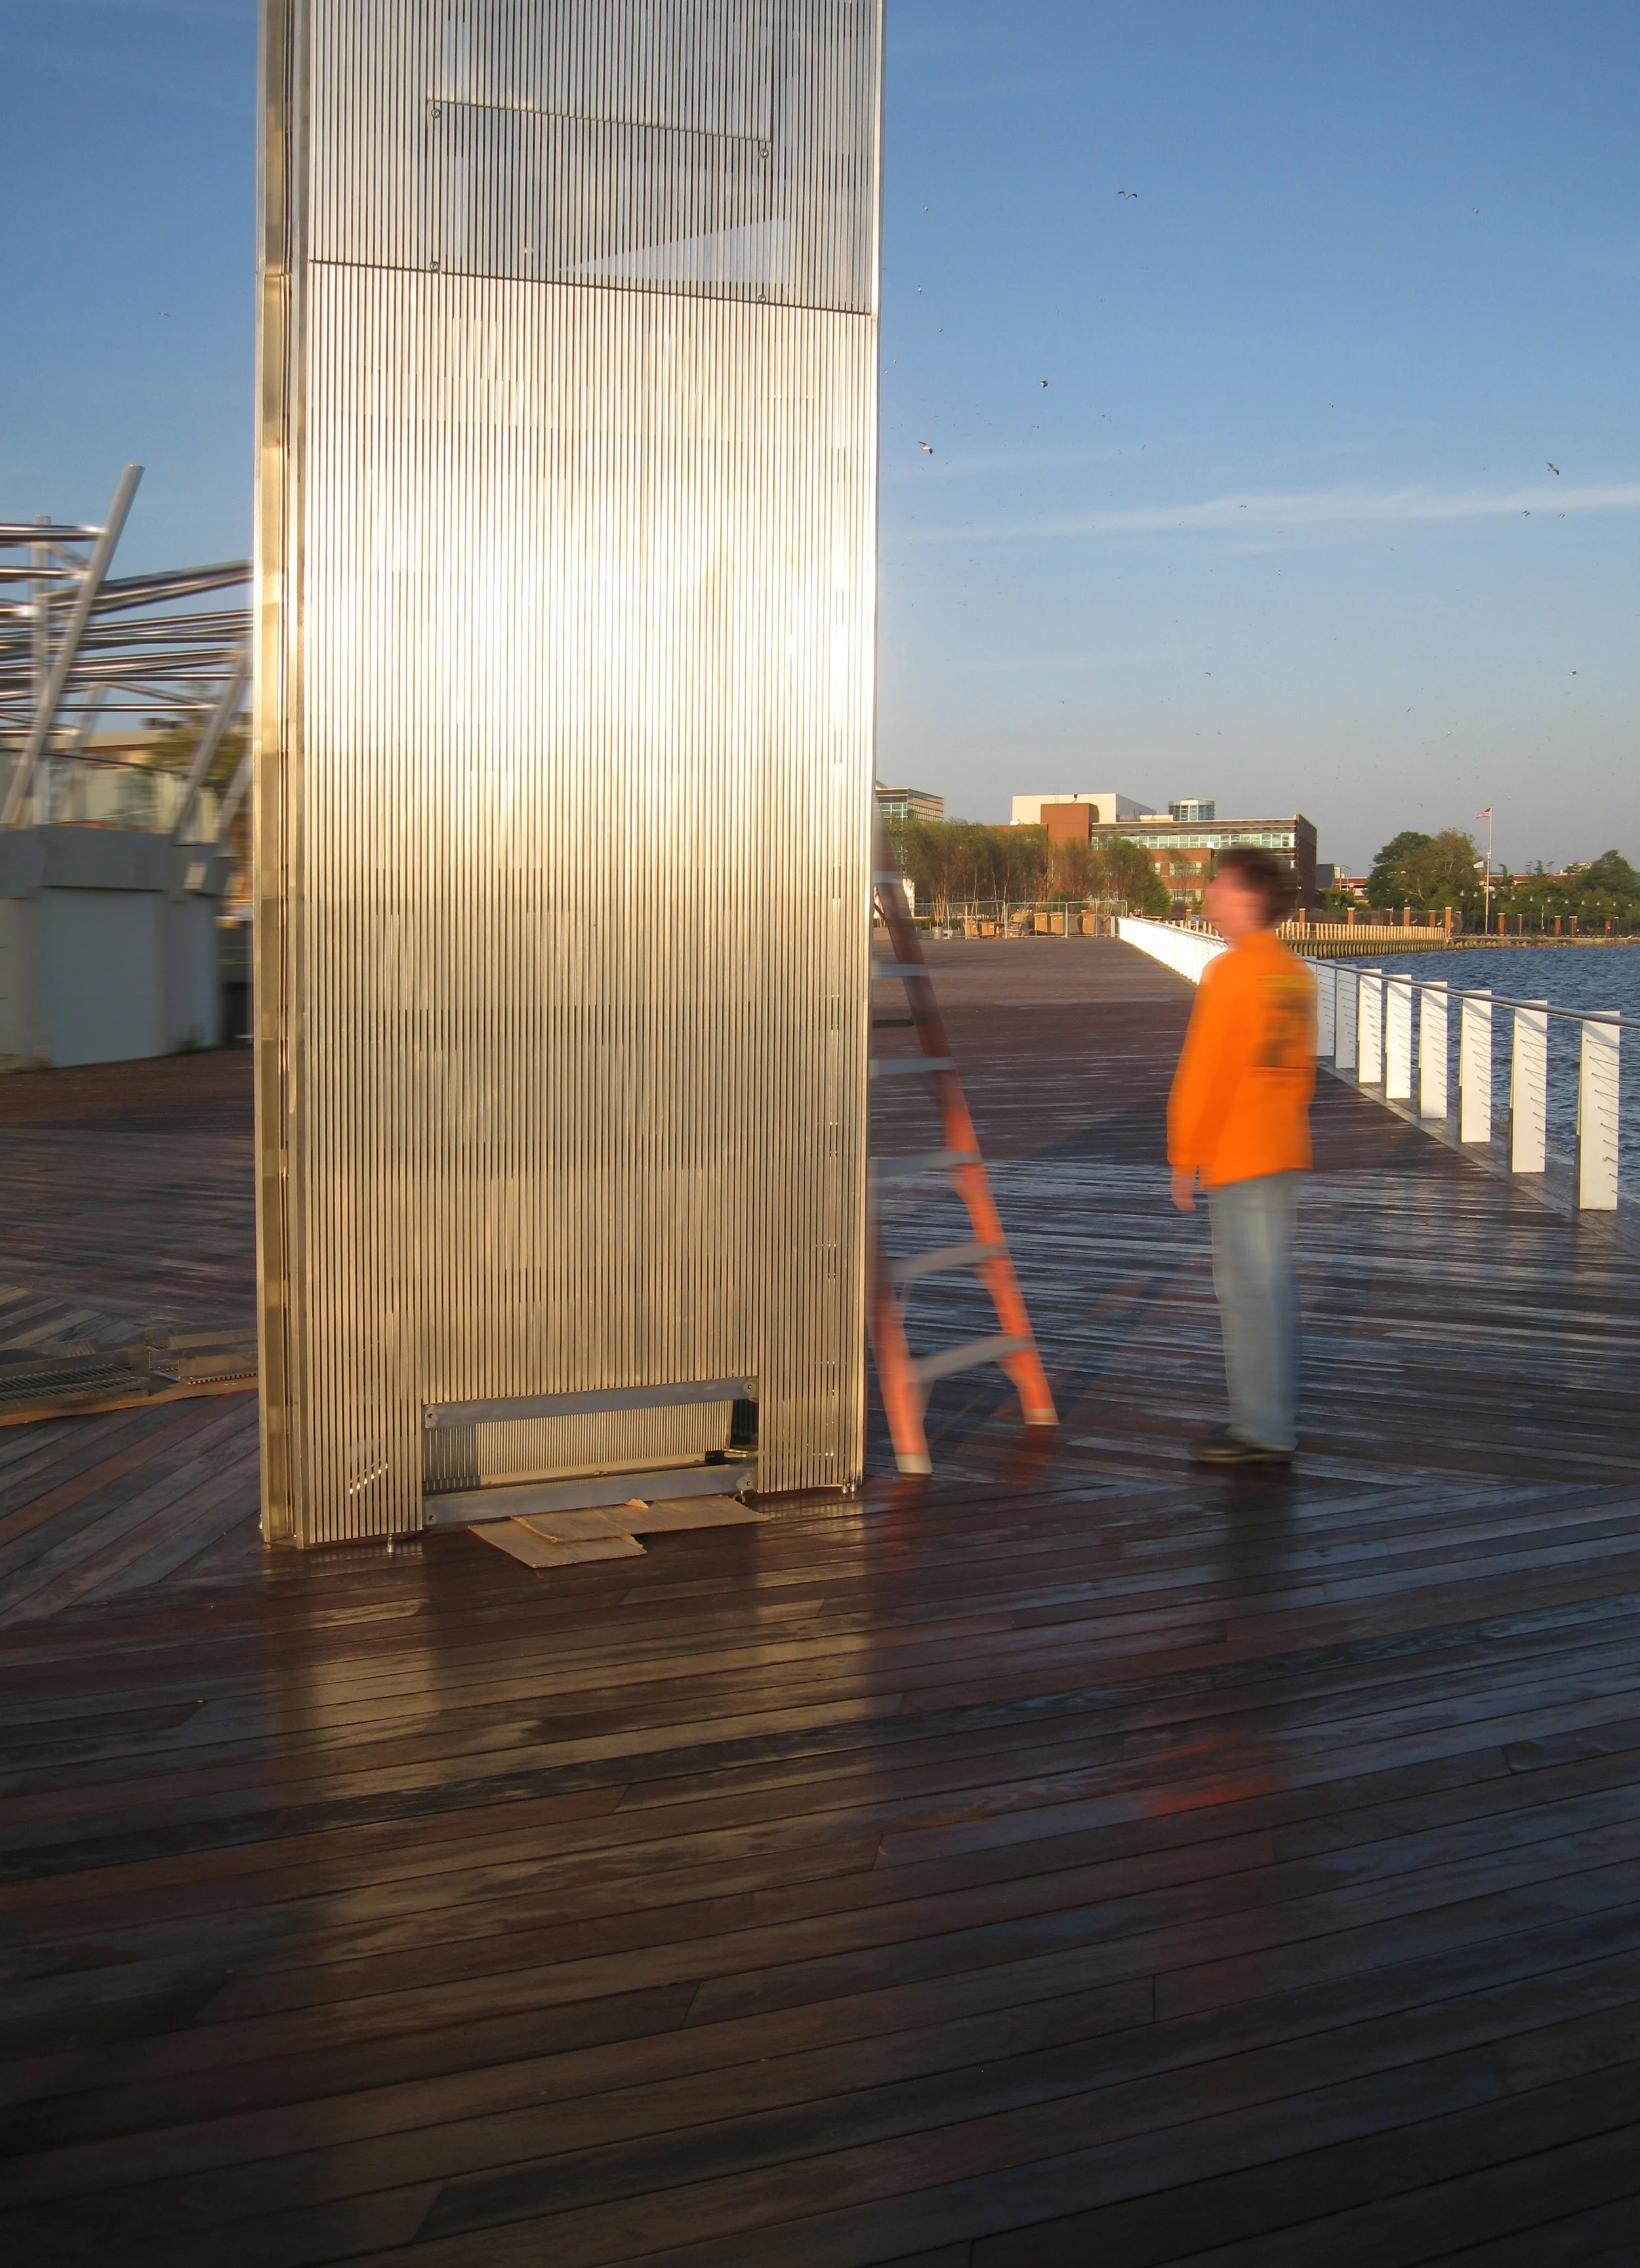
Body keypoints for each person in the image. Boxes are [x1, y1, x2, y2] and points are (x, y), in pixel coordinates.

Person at [1167, 848, 1316, 1465]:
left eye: (1221, 885)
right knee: (1272, 1287)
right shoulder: (1294, 973)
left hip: (1240, 1152)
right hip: (1284, 1146)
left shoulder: (1231, 972)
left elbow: (1206, 1070)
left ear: (1250, 896)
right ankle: (1272, 1418)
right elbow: (1302, 1071)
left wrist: (1185, 1154)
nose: (1210, 894)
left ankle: (1262, 1430)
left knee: (1248, 1292)